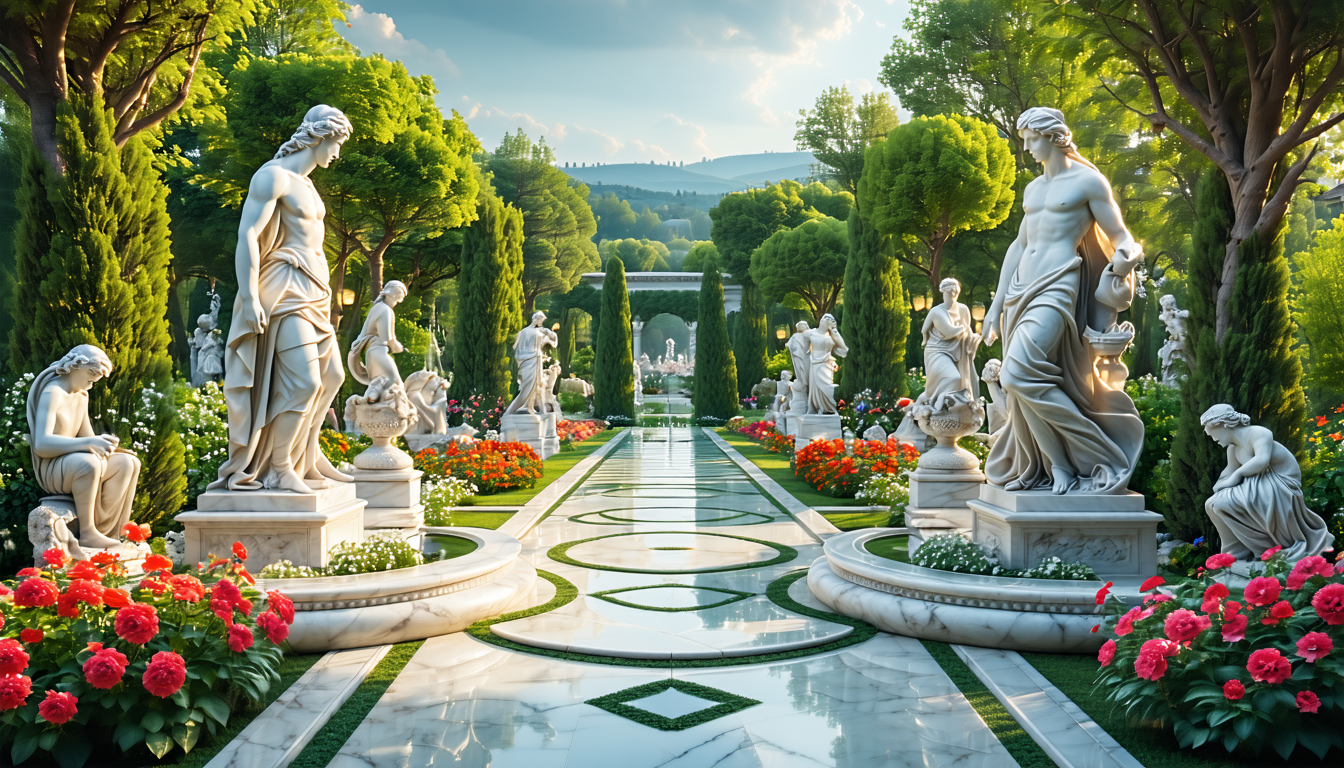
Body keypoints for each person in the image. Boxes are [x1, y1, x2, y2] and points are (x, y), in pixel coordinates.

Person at [981, 107, 1144, 495]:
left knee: (1016, 375)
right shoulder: (1033, 189)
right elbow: (1020, 245)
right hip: (1021, 289)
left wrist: (1128, 257)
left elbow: (1121, 235)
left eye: (1031, 138)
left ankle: (1099, 453)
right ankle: (1059, 467)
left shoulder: (1088, 182)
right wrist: (995, 304)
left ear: (1053, 137)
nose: (1026, 146)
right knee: (1020, 385)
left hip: (1058, 284)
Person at [211, 105, 354, 494]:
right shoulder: (273, 176)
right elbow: (248, 236)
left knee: (333, 377)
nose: (337, 154)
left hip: (314, 292)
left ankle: (307, 455)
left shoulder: (307, 184)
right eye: (337, 143)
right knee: (305, 382)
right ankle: (280, 467)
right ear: (320, 137)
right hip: (285, 288)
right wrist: (250, 294)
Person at [27, 345, 140, 549]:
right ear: (75, 367)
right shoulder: (52, 392)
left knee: (128, 462)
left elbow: (87, 437)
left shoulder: (81, 394)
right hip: (53, 468)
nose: (92, 383)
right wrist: (89, 443)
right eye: (90, 376)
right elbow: (41, 445)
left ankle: (108, 531)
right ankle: (88, 532)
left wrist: (103, 443)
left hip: (74, 462)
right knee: (88, 464)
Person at [1201, 404, 1330, 561]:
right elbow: (1230, 469)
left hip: (1279, 482)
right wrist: (1220, 483)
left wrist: (1236, 476)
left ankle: (1267, 550)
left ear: (1224, 425)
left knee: (1224, 502)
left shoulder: (1258, 432)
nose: (1212, 438)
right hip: (1257, 482)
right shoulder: (1233, 449)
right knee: (1211, 504)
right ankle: (1236, 552)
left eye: (1211, 433)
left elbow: (1262, 460)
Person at [918, 278, 981, 412]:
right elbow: (928, 330)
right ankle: (934, 405)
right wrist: (925, 338)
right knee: (953, 377)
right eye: (949, 292)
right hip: (937, 350)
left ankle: (946, 410)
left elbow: (967, 332)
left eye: (954, 292)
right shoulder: (936, 311)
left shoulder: (963, 309)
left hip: (956, 351)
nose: (952, 295)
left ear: (957, 292)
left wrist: (978, 338)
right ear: (943, 293)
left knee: (958, 381)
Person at [348, 280, 408, 393]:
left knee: (380, 387)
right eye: (398, 299)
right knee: (397, 384)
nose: (397, 303)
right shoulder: (385, 310)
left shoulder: (378, 307)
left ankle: (374, 408)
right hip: (378, 352)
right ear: (394, 295)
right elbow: (386, 337)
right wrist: (398, 347)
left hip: (372, 352)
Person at [503, 312, 558, 416]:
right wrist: (548, 332)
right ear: (537, 319)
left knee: (538, 386)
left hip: (532, 361)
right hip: (530, 361)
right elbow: (517, 349)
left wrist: (548, 332)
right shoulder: (531, 331)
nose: (541, 322)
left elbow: (552, 338)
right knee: (528, 387)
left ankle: (531, 407)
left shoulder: (530, 331)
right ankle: (509, 412)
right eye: (541, 320)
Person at [805, 314, 849, 414]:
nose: (826, 321)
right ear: (821, 321)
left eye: (830, 320)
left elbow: (844, 349)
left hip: (826, 364)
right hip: (814, 363)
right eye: (825, 319)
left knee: (826, 385)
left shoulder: (832, 335)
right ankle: (818, 407)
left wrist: (834, 331)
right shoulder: (812, 332)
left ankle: (828, 408)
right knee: (816, 387)